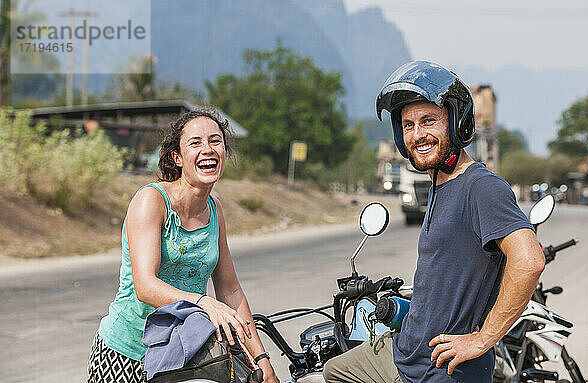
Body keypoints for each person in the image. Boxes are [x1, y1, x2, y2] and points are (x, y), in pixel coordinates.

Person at [323, 61, 546, 382]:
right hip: (406, 351)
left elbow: (529, 261)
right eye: (408, 125)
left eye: (429, 121)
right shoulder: (441, 183)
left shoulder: (481, 186)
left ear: (457, 124)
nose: (417, 135)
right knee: (335, 370)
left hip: (441, 370)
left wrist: (483, 339)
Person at [87, 107, 279, 383]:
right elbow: (145, 285)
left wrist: (261, 360)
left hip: (180, 356)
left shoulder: (215, 211)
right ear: (177, 158)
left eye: (215, 141)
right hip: (126, 354)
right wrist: (205, 303)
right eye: (196, 143)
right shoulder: (151, 201)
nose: (208, 149)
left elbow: (231, 290)